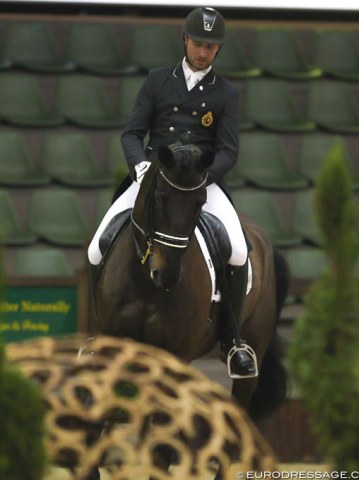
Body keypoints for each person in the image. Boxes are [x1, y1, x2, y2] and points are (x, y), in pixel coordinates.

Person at [88, 7, 257, 378]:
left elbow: (229, 150)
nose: (203, 52)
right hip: (153, 176)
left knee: (239, 250)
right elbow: (132, 133)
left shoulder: (226, 93)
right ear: (185, 39)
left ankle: (232, 341)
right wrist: (141, 167)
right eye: (198, 43)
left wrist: (204, 177)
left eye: (211, 47)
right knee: (98, 244)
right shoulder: (157, 81)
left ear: (219, 50)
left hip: (200, 184)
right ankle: (95, 335)